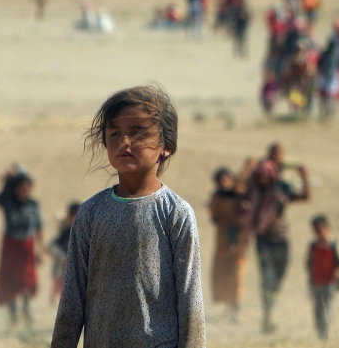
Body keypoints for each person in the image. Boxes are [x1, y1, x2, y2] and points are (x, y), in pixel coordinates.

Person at [51, 85, 206, 348]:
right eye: (115, 133)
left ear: (166, 145)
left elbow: (190, 301)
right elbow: (71, 299)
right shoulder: (91, 213)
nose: (124, 142)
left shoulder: (175, 213)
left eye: (137, 132)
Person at [244, 149, 310, 334]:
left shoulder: (281, 189)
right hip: (263, 241)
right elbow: (237, 189)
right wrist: (247, 167)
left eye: (267, 174)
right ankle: (267, 317)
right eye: (261, 174)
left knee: (279, 277)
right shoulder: (254, 191)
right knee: (267, 279)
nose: (264, 178)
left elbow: (305, 197)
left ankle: (269, 312)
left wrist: (304, 176)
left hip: (281, 240)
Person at [0, 165, 44, 331]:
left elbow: (39, 228)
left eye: (27, 187)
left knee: (27, 280)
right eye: (21, 187)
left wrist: (41, 249)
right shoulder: (7, 202)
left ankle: (25, 310)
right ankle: (13, 318)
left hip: (27, 246)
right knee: (9, 281)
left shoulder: (33, 205)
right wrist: (4, 175)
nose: (24, 190)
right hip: (10, 246)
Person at [209, 162, 254, 322]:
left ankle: (236, 308)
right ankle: (228, 306)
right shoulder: (217, 197)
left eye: (227, 179)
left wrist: (247, 167)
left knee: (237, 273)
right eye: (221, 180)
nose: (224, 182)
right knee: (223, 273)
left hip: (239, 240)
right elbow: (214, 216)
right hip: (223, 240)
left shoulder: (239, 194)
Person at [306, 214, 339, 340]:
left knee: (327, 309)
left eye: (320, 230)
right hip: (316, 283)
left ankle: (326, 334)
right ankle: (320, 333)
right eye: (316, 231)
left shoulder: (335, 245)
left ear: (327, 228)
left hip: (330, 283)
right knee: (317, 310)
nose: (319, 233)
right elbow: (309, 263)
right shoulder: (313, 246)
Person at [47, 202, 80, 306]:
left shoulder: (86, 230)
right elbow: (53, 246)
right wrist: (61, 257)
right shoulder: (67, 231)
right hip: (66, 268)